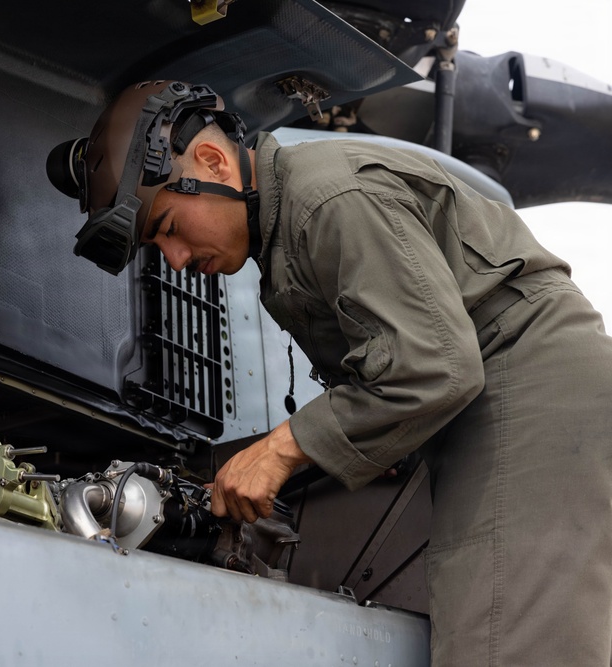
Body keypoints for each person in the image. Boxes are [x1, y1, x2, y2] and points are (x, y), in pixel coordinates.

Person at [47, 80, 612, 665]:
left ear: (214, 162)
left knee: (502, 643)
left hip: (526, 382)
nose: (177, 260)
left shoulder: (325, 200)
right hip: (500, 394)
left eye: (168, 228)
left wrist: (280, 450)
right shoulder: (289, 224)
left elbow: (434, 366)